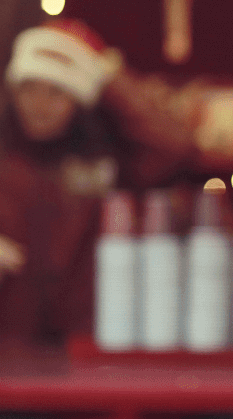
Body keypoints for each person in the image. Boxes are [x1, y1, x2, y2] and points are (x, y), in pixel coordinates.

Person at [0, 19, 194, 344]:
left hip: (91, 341)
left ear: (81, 96)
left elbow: (175, 148)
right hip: (10, 347)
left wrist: (107, 75)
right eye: (29, 88)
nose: (39, 104)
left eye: (56, 91)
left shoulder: (107, 160)